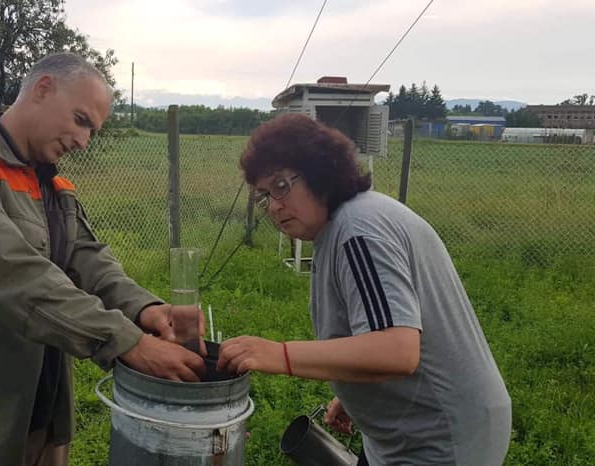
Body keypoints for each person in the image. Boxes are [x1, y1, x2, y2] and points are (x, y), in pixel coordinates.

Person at [0, 52, 206, 466]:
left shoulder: (55, 184)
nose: (84, 141)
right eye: (81, 120)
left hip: (44, 409)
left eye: (93, 131)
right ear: (43, 88)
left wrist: (147, 309)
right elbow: (10, 275)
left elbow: (89, 260)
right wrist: (126, 342)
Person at [217, 113, 511, 465]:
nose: (275, 206)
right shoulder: (349, 223)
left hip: (440, 440)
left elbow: (396, 350)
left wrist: (279, 354)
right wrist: (356, 390)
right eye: (264, 196)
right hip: (414, 430)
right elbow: (380, 329)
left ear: (319, 172)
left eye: (281, 185)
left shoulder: (358, 231)